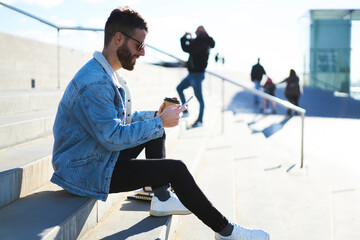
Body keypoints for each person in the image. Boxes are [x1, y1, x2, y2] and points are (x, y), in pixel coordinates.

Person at [50, 7, 269, 240]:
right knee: (176, 169)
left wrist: (156, 116)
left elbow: (120, 124)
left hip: (96, 157)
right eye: (139, 45)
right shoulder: (94, 82)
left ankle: (162, 198)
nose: (142, 53)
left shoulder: (106, 75)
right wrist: (158, 122)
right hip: (84, 171)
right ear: (118, 39)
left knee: (156, 131)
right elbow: (112, 137)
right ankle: (227, 232)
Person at [176, 26, 215, 128]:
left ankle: (200, 120)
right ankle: (186, 110)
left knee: (200, 99)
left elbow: (188, 49)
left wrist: (185, 39)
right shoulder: (203, 41)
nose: (195, 33)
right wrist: (187, 40)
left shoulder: (202, 42)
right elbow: (190, 48)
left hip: (197, 75)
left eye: (196, 32)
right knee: (179, 88)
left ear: (199, 32)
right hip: (193, 74)